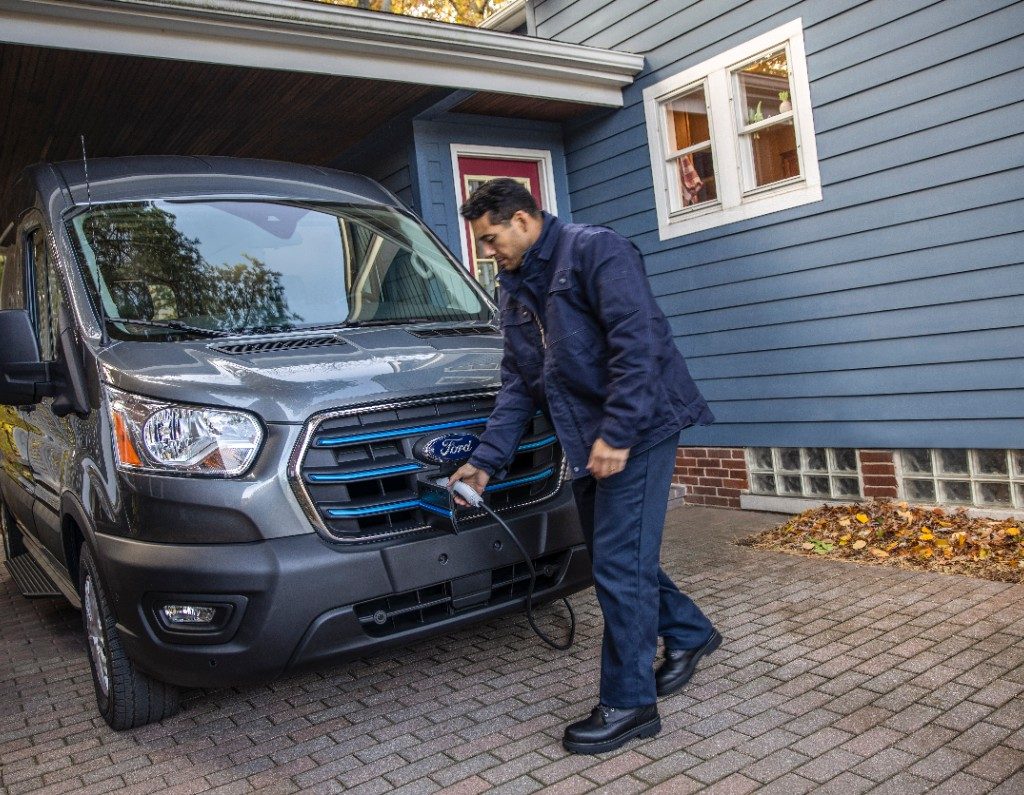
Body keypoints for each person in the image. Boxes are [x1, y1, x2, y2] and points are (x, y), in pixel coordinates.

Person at [449, 178, 721, 755]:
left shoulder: (597, 251)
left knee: (621, 566)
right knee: (613, 559)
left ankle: (630, 705)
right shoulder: (515, 287)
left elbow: (638, 344)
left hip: (639, 427)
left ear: (523, 219)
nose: (489, 252)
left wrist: (618, 433)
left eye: (492, 239)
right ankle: (691, 632)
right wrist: (484, 463)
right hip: (589, 438)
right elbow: (519, 384)